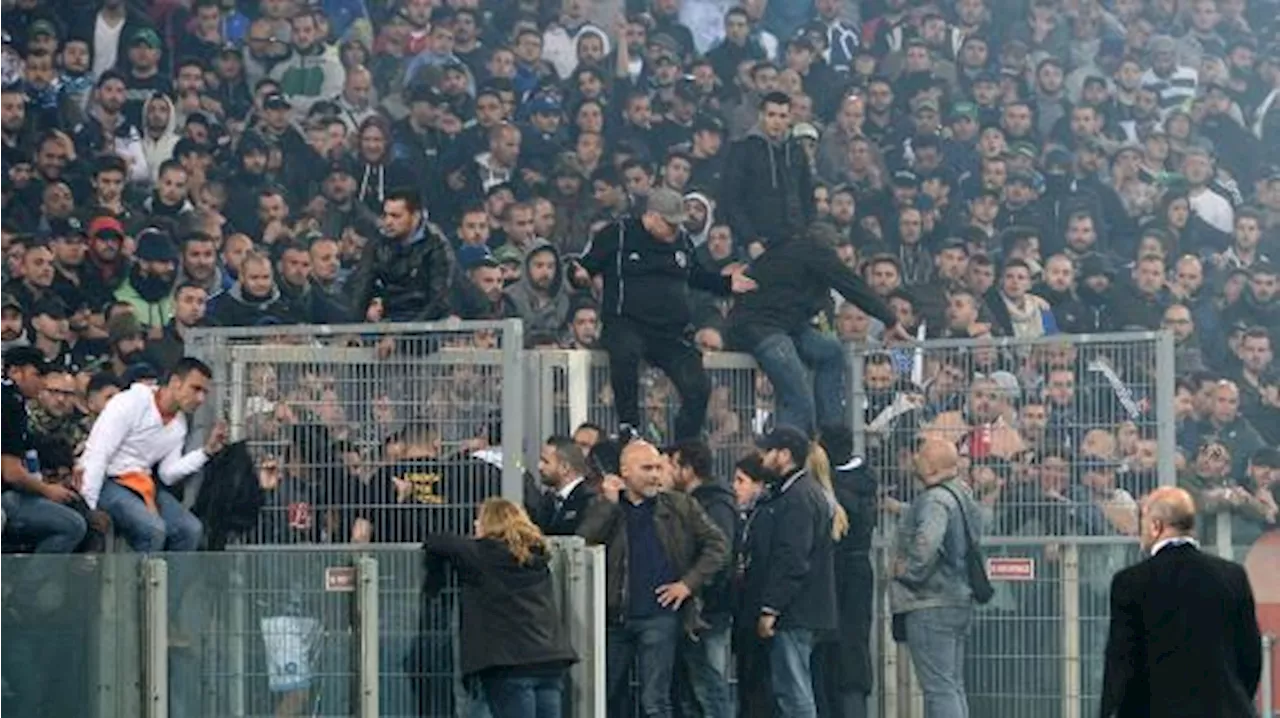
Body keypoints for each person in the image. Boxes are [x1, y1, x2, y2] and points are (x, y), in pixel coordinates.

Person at [569, 187, 756, 440]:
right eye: (669, 224)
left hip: (670, 331)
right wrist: (578, 276)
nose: (675, 230)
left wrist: (726, 284)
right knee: (625, 352)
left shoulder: (682, 241)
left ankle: (684, 441)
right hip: (626, 323)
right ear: (652, 217)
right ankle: (629, 426)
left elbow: (696, 276)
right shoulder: (619, 234)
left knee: (698, 386)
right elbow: (586, 267)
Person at [577, 439, 730, 718]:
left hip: (660, 616)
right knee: (605, 697)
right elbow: (583, 543)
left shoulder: (680, 505)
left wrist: (688, 584)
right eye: (647, 468)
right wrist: (606, 505)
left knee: (655, 702)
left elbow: (718, 545)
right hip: (614, 618)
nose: (656, 475)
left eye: (659, 468)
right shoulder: (607, 507)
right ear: (625, 471)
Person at [728, 222, 910, 435]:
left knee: (831, 351)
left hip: (786, 327)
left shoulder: (787, 254)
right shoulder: (814, 252)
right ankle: (790, 456)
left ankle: (831, 430)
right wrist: (890, 319)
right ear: (829, 249)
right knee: (798, 397)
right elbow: (851, 285)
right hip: (762, 329)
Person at [1099, 486, 1262, 718]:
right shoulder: (1232, 575)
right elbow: (1250, 654)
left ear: (1156, 526)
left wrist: (1109, 711)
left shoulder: (1131, 582)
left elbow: (1121, 658)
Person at [422, 497, 577, 718]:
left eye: (479, 520)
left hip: (509, 662)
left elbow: (437, 540)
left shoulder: (482, 554)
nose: (475, 525)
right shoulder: (538, 555)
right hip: (549, 660)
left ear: (489, 523)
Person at [77, 357, 227, 551]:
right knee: (153, 530)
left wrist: (206, 452)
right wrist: (88, 508)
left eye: (205, 392)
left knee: (191, 529)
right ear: (175, 382)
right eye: (195, 389)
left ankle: (173, 582)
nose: (201, 399)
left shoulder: (179, 424)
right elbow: (99, 453)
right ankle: (143, 582)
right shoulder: (130, 402)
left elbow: (168, 473)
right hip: (108, 480)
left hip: (143, 484)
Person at [743, 425, 838, 718]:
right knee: (792, 688)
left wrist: (771, 607)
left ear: (783, 455)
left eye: (767, 451)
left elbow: (792, 558)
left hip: (795, 611)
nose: (762, 458)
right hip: (800, 608)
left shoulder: (797, 497)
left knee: (794, 692)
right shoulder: (795, 492)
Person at [890, 439, 983, 718]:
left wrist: (906, 570)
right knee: (951, 685)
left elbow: (927, 542)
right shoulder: (961, 494)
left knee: (938, 688)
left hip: (931, 601)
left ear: (931, 466)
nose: (915, 458)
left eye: (920, 454)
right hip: (957, 598)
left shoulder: (934, 500)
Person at [669, 439, 737, 718]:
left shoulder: (715, 504)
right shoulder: (700, 501)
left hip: (710, 610)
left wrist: (695, 587)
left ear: (687, 469)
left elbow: (719, 556)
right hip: (698, 607)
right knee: (693, 688)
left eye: (672, 465)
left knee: (709, 686)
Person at [534, 435, 596, 535]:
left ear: (565, 467)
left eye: (546, 461)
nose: (539, 466)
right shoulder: (547, 501)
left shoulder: (589, 501)